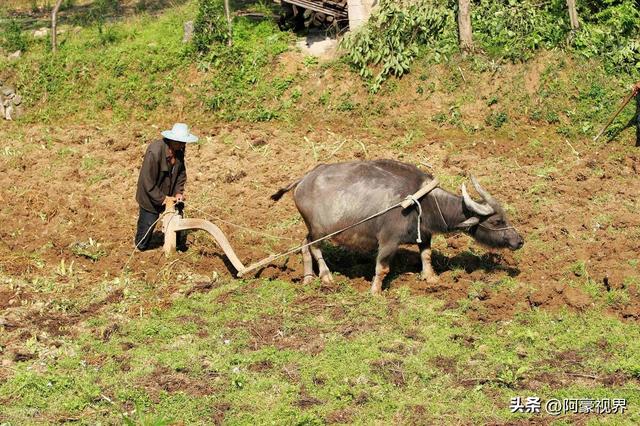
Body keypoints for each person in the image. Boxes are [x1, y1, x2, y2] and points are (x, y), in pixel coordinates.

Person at [134, 123, 198, 251]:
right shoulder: (155, 151)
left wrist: (178, 193)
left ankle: (175, 245)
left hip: (170, 193)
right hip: (150, 196)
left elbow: (181, 174)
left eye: (184, 142)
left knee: (177, 216)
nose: (183, 145)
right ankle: (140, 245)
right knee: (142, 242)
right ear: (172, 140)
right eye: (180, 142)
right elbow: (147, 181)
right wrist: (163, 199)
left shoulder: (179, 150)